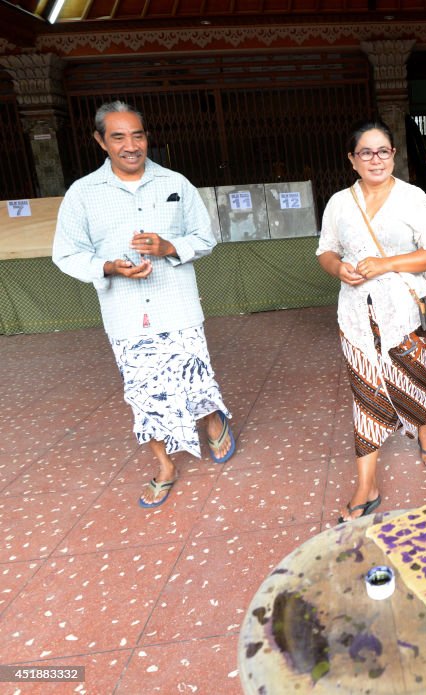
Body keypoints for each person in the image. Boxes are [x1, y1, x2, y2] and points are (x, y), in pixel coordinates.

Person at [52, 101, 235, 509]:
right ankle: (165, 466)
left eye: (138, 135)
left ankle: (211, 418)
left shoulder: (175, 182)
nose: (131, 145)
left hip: (178, 306)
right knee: (144, 394)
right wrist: (108, 267)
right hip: (127, 316)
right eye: (118, 137)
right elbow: (65, 254)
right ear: (101, 141)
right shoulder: (82, 194)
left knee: (195, 379)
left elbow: (205, 238)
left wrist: (170, 246)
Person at [317, 121, 426, 522]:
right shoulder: (340, 202)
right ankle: (367, 486)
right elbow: (324, 250)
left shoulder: (413, 198)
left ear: (394, 155)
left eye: (383, 151)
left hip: (404, 312)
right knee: (366, 395)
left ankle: (424, 434)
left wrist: (385, 264)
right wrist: (338, 268)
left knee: (413, 379)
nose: (376, 159)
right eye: (366, 153)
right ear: (352, 160)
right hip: (356, 316)